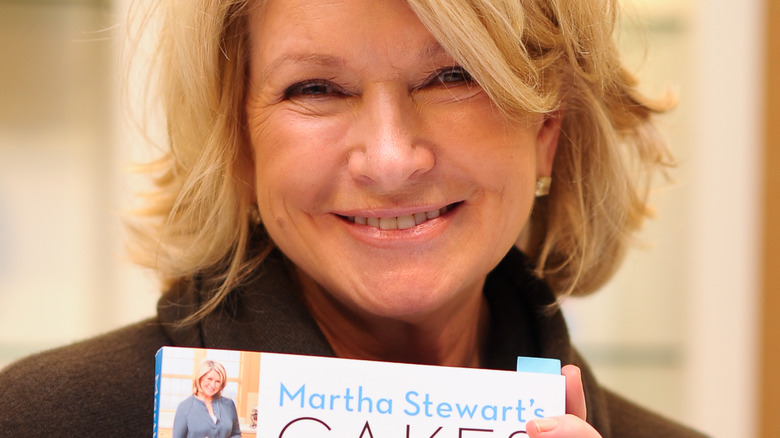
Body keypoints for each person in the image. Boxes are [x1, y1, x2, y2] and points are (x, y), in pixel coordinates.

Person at [0, 0, 707, 436]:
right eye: (317, 88)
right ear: (238, 146)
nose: (393, 160)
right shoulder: (44, 421)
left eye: (453, 75)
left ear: (546, 127)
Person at [172, 360, 242, 438]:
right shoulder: (184, 407)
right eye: (209, 379)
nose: (212, 385)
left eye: (218, 381)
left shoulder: (229, 405)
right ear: (200, 378)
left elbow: (236, 434)